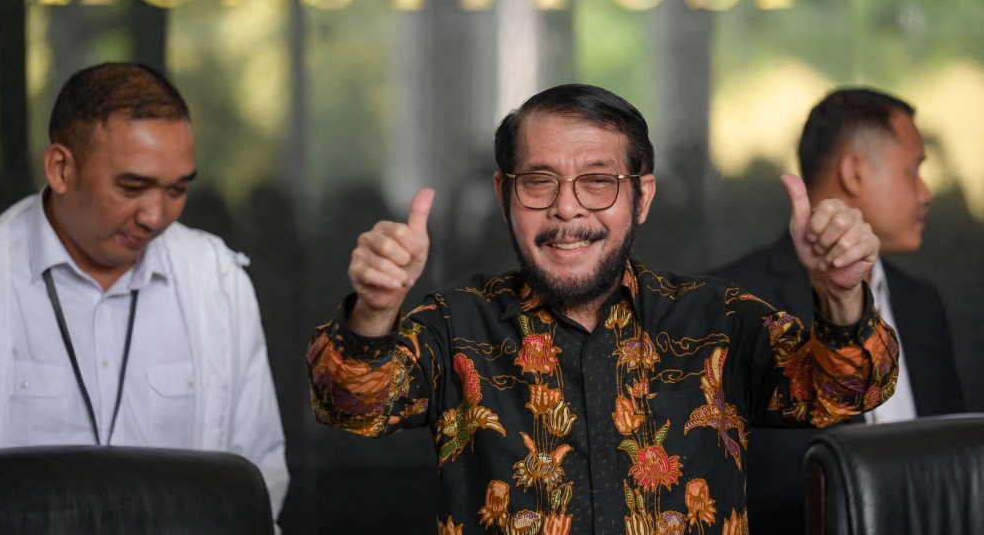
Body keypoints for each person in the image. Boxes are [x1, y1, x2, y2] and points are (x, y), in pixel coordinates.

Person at [308, 83, 899, 533]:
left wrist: (841, 292)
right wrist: (376, 308)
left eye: (598, 181)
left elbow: (847, 391)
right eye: (538, 181)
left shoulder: (718, 320)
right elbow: (350, 401)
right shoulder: (455, 324)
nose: (567, 210)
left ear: (641, 197)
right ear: (503, 194)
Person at [0, 62, 289, 520]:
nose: (155, 216)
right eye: (132, 187)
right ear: (60, 168)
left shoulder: (215, 282)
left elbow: (254, 479)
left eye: (177, 189)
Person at [710, 87, 964, 535]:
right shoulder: (734, 303)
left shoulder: (922, 301)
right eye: (913, 170)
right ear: (854, 172)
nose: (926, 194)